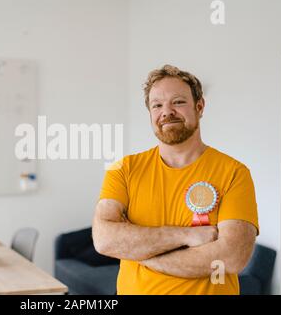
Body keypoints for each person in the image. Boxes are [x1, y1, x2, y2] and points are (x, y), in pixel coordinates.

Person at [92, 64, 259, 295]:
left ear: (199, 107)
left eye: (178, 102)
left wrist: (142, 254)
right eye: (157, 105)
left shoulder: (234, 172)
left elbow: (231, 258)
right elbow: (104, 240)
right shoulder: (123, 169)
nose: (166, 111)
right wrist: (187, 236)